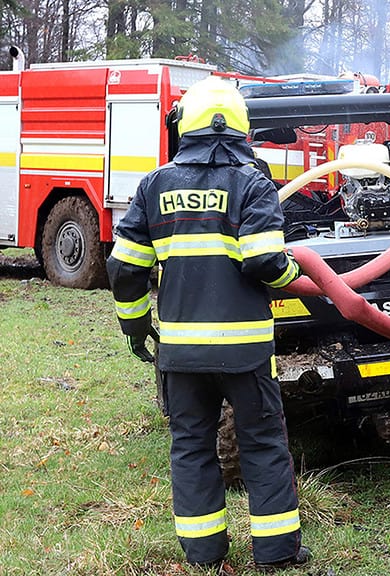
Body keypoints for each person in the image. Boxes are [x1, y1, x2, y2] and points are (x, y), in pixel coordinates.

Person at [107, 76, 309, 570]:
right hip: (246, 353)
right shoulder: (253, 183)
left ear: (185, 125)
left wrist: (135, 326)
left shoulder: (155, 185)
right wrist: (295, 272)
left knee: (192, 447)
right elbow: (264, 262)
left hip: (180, 354)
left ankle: (203, 553)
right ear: (241, 127)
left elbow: (124, 267)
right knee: (262, 445)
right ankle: (277, 552)